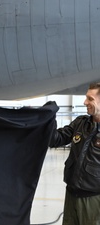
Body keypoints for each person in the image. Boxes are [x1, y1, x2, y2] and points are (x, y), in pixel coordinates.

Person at [49, 82, 100, 225]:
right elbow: (55, 140)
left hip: (94, 199)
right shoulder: (80, 123)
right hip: (72, 194)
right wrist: (49, 118)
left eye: (90, 99)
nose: (85, 102)